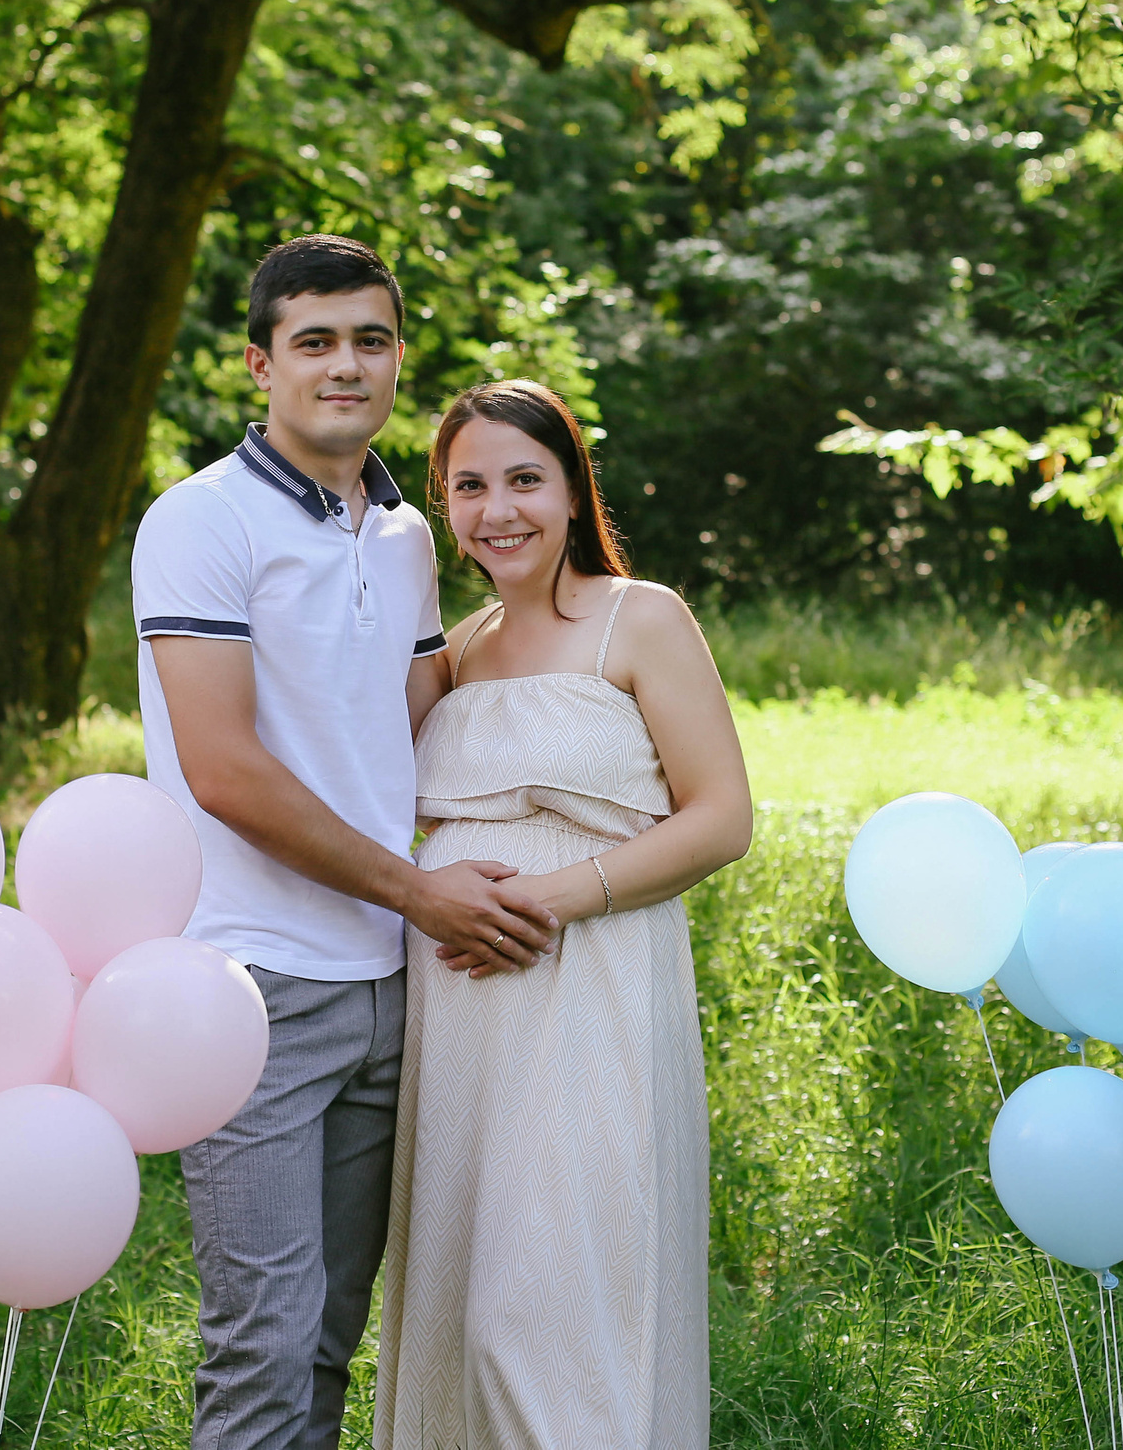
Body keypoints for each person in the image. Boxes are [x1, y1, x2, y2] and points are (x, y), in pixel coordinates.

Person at [132, 236, 563, 1450]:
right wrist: (421, 891)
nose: (345, 365)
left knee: (329, 1338)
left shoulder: (405, 535)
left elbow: (423, 724)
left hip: (391, 982)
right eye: (313, 341)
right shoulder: (199, 521)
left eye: (370, 340)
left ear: (397, 358)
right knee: (262, 1347)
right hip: (249, 985)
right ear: (259, 363)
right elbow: (224, 772)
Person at [373, 379, 755, 1449]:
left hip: (589, 982)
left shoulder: (642, 618)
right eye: (469, 486)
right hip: (460, 1018)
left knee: (544, 1307)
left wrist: (546, 898)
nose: (498, 509)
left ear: (575, 492)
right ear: (444, 508)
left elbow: (722, 816)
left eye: (525, 480)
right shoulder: (456, 648)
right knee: (460, 1299)